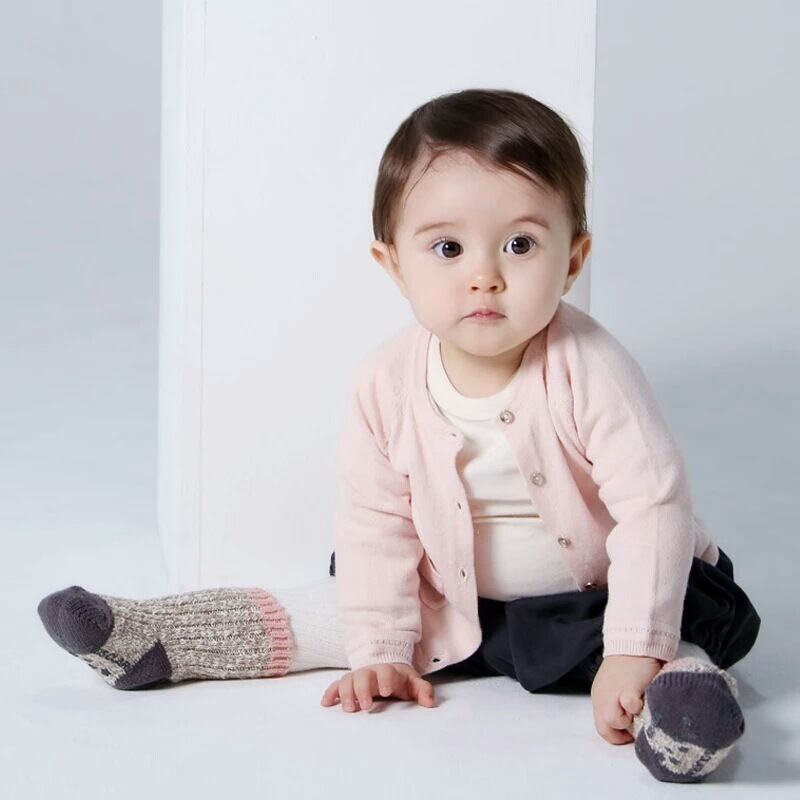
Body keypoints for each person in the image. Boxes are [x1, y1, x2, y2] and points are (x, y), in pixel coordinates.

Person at [37, 88, 760, 784]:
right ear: (393, 265)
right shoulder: (385, 382)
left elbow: (652, 510)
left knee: (659, 642)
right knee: (348, 605)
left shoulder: (593, 370)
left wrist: (633, 648)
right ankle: (161, 636)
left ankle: (681, 710)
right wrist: (382, 648)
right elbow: (376, 519)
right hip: (450, 594)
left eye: (519, 244)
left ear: (572, 259)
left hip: (594, 598)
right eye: (447, 248)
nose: (484, 277)